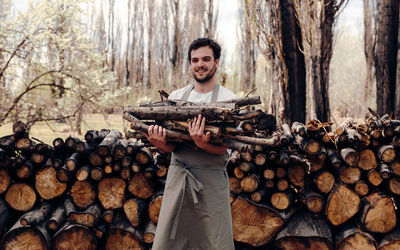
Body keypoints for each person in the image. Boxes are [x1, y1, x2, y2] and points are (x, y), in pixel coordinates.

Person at [146, 38, 237, 250]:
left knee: (214, 242)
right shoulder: (176, 98)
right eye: (195, 60)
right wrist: (160, 144)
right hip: (179, 180)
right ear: (190, 64)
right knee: (171, 241)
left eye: (206, 59)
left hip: (211, 184)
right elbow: (172, 147)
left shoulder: (228, 100)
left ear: (216, 62)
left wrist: (202, 144)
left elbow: (225, 148)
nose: (200, 64)